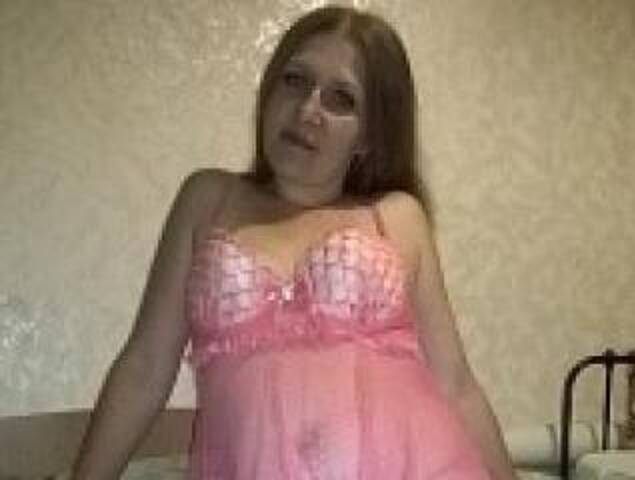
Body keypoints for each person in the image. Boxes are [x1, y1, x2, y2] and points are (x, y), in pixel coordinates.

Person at [72, 5, 517, 480]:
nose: (307, 110)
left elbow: (455, 384)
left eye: (341, 98)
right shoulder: (207, 199)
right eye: (294, 80)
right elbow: (144, 369)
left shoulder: (396, 217)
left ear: (369, 135)